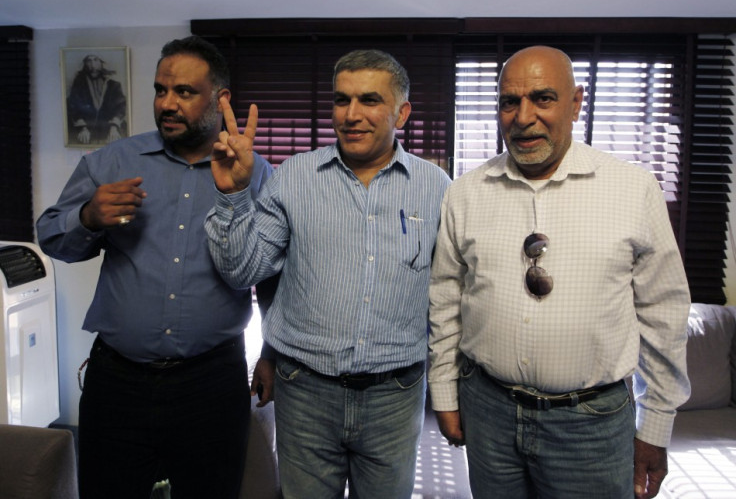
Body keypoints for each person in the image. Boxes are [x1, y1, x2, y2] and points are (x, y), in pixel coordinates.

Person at [427, 45, 691, 499]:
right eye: (509, 102)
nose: (523, 116)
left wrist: (656, 425)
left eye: (543, 98)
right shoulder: (465, 193)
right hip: (487, 411)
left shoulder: (633, 189)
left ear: (575, 103)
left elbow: (663, 312)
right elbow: (446, 299)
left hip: (591, 424)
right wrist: (445, 394)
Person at [37, 36, 278, 499]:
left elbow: (270, 276)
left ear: (220, 99)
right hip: (117, 383)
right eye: (159, 90)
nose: (167, 103)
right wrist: (87, 217)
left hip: (211, 383)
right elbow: (52, 237)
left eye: (184, 92)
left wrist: (270, 353)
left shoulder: (257, 175)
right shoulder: (111, 162)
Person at [205, 49, 451, 498]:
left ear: (403, 112)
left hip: (395, 395)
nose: (351, 115)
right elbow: (243, 271)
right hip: (306, 392)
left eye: (370, 100)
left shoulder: (437, 188)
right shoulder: (295, 177)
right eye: (342, 100)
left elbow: (449, 296)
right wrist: (234, 195)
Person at [66, 54, 127, 145]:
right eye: (89, 61)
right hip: (86, 127)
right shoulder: (79, 84)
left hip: (109, 126)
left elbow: (121, 107)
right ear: (85, 64)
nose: (92, 64)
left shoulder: (113, 84)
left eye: (95, 60)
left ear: (102, 62)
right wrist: (82, 127)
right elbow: (73, 106)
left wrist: (114, 127)